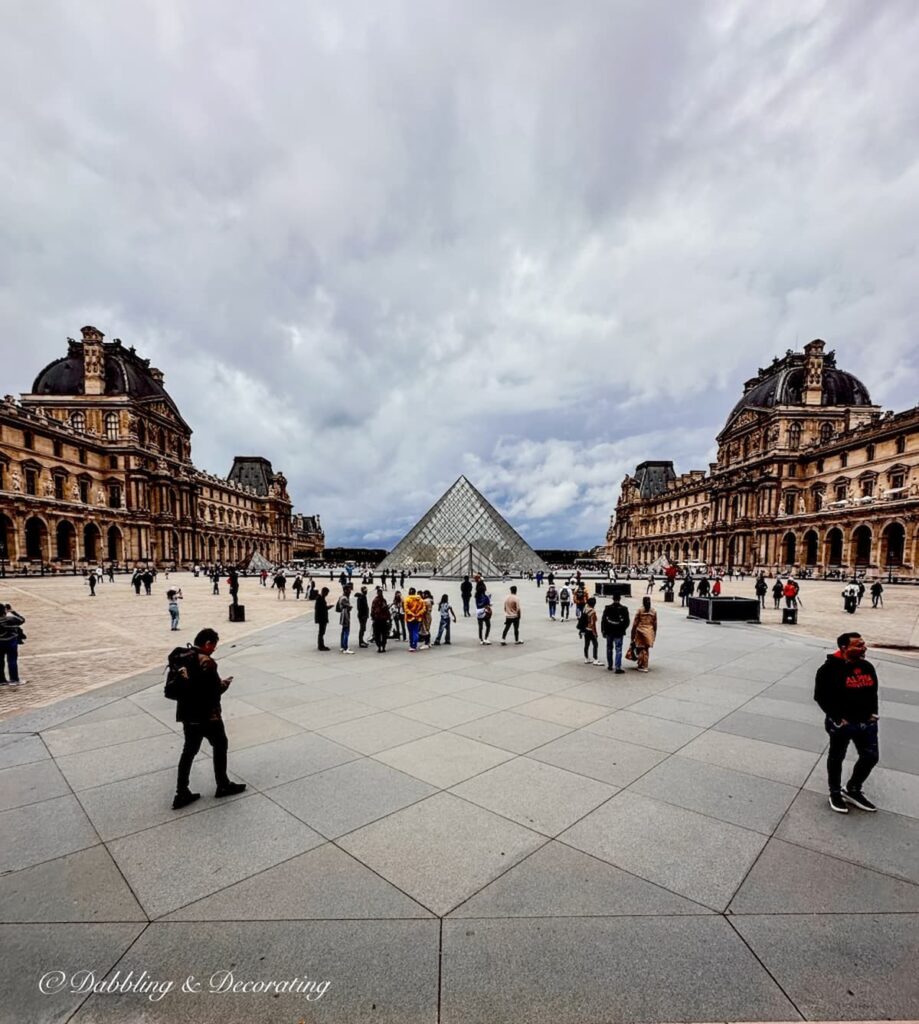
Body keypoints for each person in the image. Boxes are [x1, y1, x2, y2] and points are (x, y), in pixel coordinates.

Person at [172, 627, 247, 810]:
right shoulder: (207, 662)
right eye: (214, 646)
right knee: (220, 744)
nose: (214, 649)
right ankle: (222, 784)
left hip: (187, 715)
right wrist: (225, 684)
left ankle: (181, 792)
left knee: (188, 751)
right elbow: (213, 691)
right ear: (207, 644)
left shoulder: (184, 657)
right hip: (208, 716)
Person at [814, 632, 879, 814]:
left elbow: (873, 691)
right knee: (837, 757)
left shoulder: (866, 666)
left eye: (863, 644)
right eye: (858, 646)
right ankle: (834, 792)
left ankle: (853, 789)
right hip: (842, 724)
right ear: (844, 647)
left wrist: (874, 713)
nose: (864, 648)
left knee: (871, 757)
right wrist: (836, 717)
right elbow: (820, 696)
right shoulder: (827, 670)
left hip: (867, 723)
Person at [600, 593, 630, 673]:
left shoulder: (608, 608)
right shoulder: (624, 609)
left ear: (612, 599)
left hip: (609, 631)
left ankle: (610, 665)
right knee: (618, 649)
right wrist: (622, 628)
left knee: (609, 648)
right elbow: (627, 622)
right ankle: (617, 667)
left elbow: (603, 621)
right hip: (619, 632)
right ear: (620, 599)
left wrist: (603, 630)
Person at [0, 604, 26, 687]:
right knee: (12, 661)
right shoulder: (11, 619)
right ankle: (14, 680)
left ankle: (1, 680)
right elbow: (22, 620)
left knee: (0, 661)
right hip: (11, 642)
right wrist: (12, 611)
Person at [630, 596, 658, 673]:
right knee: (646, 649)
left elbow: (635, 623)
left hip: (640, 631)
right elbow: (655, 624)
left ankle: (643, 665)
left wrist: (632, 635)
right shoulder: (653, 611)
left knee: (640, 648)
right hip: (649, 631)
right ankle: (643, 664)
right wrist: (654, 634)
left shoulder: (640, 610)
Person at [403, 587, 426, 652]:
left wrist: (412, 614)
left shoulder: (407, 599)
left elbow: (406, 609)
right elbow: (424, 609)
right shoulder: (420, 600)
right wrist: (418, 614)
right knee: (415, 632)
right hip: (417, 618)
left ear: (409, 593)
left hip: (409, 619)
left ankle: (411, 645)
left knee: (410, 632)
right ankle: (414, 644)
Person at [370, 587, 391, 652]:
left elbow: (373, 610)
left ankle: (381, 647)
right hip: (380, 619)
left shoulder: (378, 600)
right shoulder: (380, 600)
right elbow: (373, 610)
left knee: (380, 634)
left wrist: (373, 617)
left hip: (380, 619)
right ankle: (381, 646)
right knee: (381, 634)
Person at [582, 597, 599, 665]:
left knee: (586, 644)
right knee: (595, 644)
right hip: (591, 630)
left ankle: (586, 658)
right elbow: (593, 623)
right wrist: (595, 633)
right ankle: (595, 659)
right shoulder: (593, 612)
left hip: (585, 629)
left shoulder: (585, 609)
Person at [336, 585, 354, 654]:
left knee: (344, 631)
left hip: (343, 614)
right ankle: (345, 647)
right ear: (345, 590)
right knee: (346, 631)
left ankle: (342, 646)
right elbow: (348, 606)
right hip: (345, 615)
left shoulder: (342, 597)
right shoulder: (344, 598)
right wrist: (350, 606)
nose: (350, 591)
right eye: (349, 590)